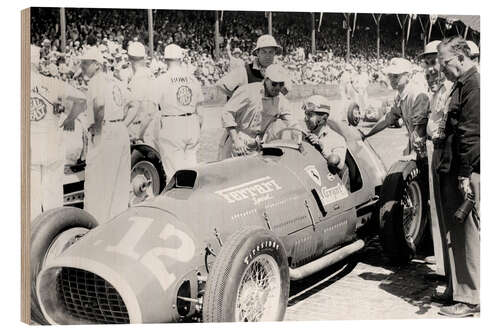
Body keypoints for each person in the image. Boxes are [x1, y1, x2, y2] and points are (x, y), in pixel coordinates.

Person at [434, 36, 480, 318]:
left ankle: (470, 296)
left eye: (445, 62)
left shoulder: (473, 84)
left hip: (462, 169)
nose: (442, 68)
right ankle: (458, 289)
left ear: (462, 58)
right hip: (453, 165)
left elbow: (472, 133)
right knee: (455, 231)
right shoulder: (463, 84)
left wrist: (466, 173)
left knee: (465, 232)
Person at [30, 45, 87, 219]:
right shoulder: (53, 83)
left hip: (30, 146)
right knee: (53, 198)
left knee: (31, 198)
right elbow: (82, 99)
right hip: (52, 144)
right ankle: (53, 234)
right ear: (38, 62)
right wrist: (70, 118)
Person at [81, 46, 134, 223]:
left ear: (96, 65)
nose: (82, 67)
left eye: (85, 63)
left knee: (98, 183)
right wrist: (122, 124)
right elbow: (134, 105)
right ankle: (116, 225)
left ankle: (97, 225)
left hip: (105, 131)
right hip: (119, 130)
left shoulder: (96, 82)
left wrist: (97, 127)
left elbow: (100, 105)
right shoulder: (115, 81)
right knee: (119, 184)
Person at [419, 40, 454, 295]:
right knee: (437, 209)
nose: (431, 68)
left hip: (447, 154)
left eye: (434, 62)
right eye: (427, 63)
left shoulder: (450, 88)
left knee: (449, 212)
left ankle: (453, 275)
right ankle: (444, 269)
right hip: (435, 151)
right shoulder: (436, 90)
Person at [219, 64, 297, 159]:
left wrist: (301, 136)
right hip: (238, 141)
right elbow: (227, 112)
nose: (277, 87)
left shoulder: (281, 100)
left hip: (258, 145)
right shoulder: (248, 91)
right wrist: (235, 140)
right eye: (274, 83)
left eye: (281, 84)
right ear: (266, 79)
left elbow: (292, 123)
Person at [363, 57, 430, 162]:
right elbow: (388, 119)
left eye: (396, 76)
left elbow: (420, 128)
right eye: (390, 76)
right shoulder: (399, 95)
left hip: (427, 150)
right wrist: (367, 134)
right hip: (416, 146)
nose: (392, 80)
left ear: (408, 76)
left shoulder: (417, 94)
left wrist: (413, 154)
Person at [156, 43, 203, 180]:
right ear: (180, 59)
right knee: (191, 170)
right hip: (192, 121)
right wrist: (198, 127)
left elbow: (152, 108)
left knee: (174, 174)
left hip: (172, 122)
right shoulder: (192, 78)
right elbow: (200, 108)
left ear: (165, 60)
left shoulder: (161, 80)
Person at [302, 95, 349, 188]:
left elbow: (339, 165)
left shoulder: (337, 139)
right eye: (306, 114)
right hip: (310, 183)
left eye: (310, 115)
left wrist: (322, 148)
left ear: (323, 118)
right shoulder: (305, 137)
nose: (305, 119)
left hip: (332, 187)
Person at [216, 34, 282, 99]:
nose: (267, 56)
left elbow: (285, 91)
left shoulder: (278, 71)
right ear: (257, 53)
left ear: (275, 53)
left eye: (271, 52)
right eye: (264, 52)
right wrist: (240, 100)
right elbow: (221, 84)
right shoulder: (245, 70)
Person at [125, 42, 160, 150]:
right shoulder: (149, 74)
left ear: (129, 59)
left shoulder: (139, 79)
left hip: (145, 129)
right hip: (152, 125)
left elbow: (148, 110)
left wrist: (138, 134)